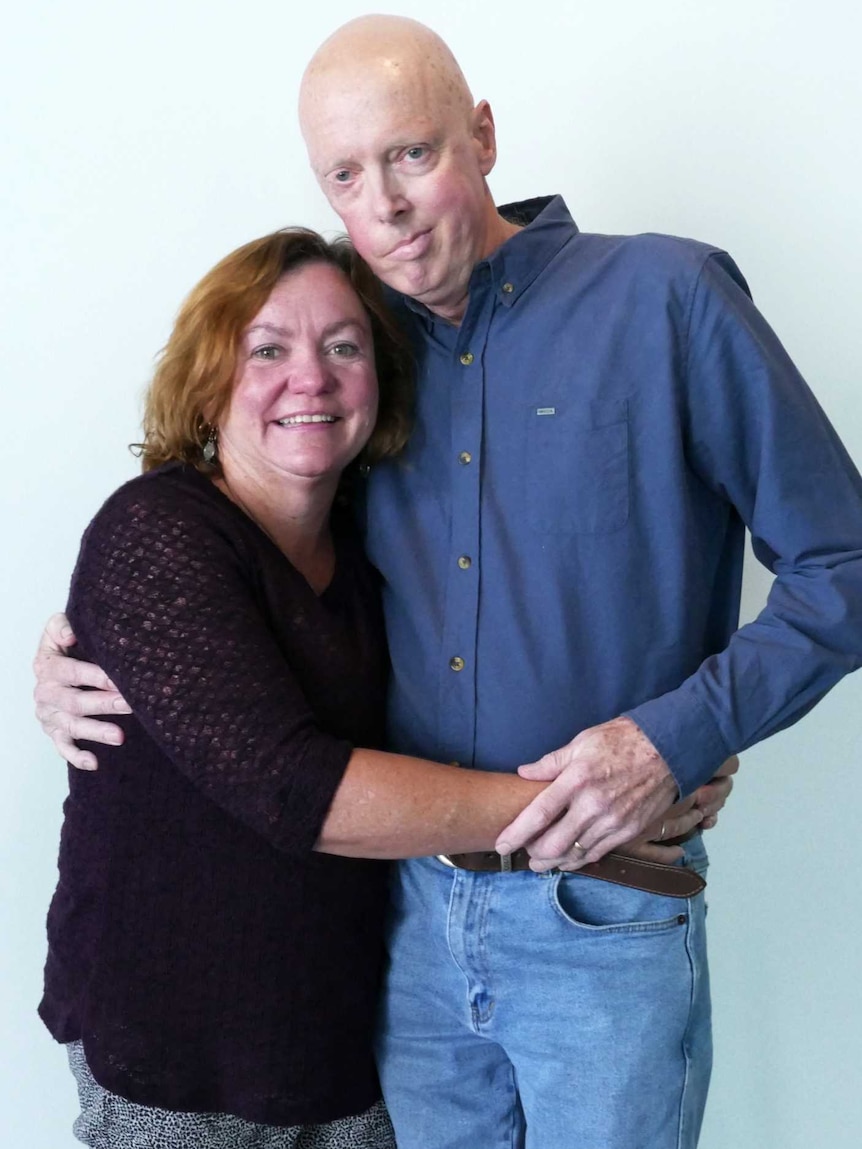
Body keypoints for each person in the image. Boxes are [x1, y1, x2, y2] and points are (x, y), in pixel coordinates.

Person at [36, 12, 856, 1148]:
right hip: (401, 918)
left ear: (480, 134)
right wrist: (76, 648)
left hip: (606, 898)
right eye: (345, 175)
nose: (386, 202)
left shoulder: (666, 299)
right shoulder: (354, 358)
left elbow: (844, 565)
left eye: (411, 153)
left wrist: (668, 739)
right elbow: (231, 556)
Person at [40, 224, 643, 1149]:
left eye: (343, 346)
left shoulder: (378, 546)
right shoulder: (156, 531)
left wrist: (657, 749)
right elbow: (291, 787)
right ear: (208, 384)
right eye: (268, 349)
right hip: (174, 1051)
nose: (310, 378)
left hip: (346, 1039)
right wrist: (579, 806)